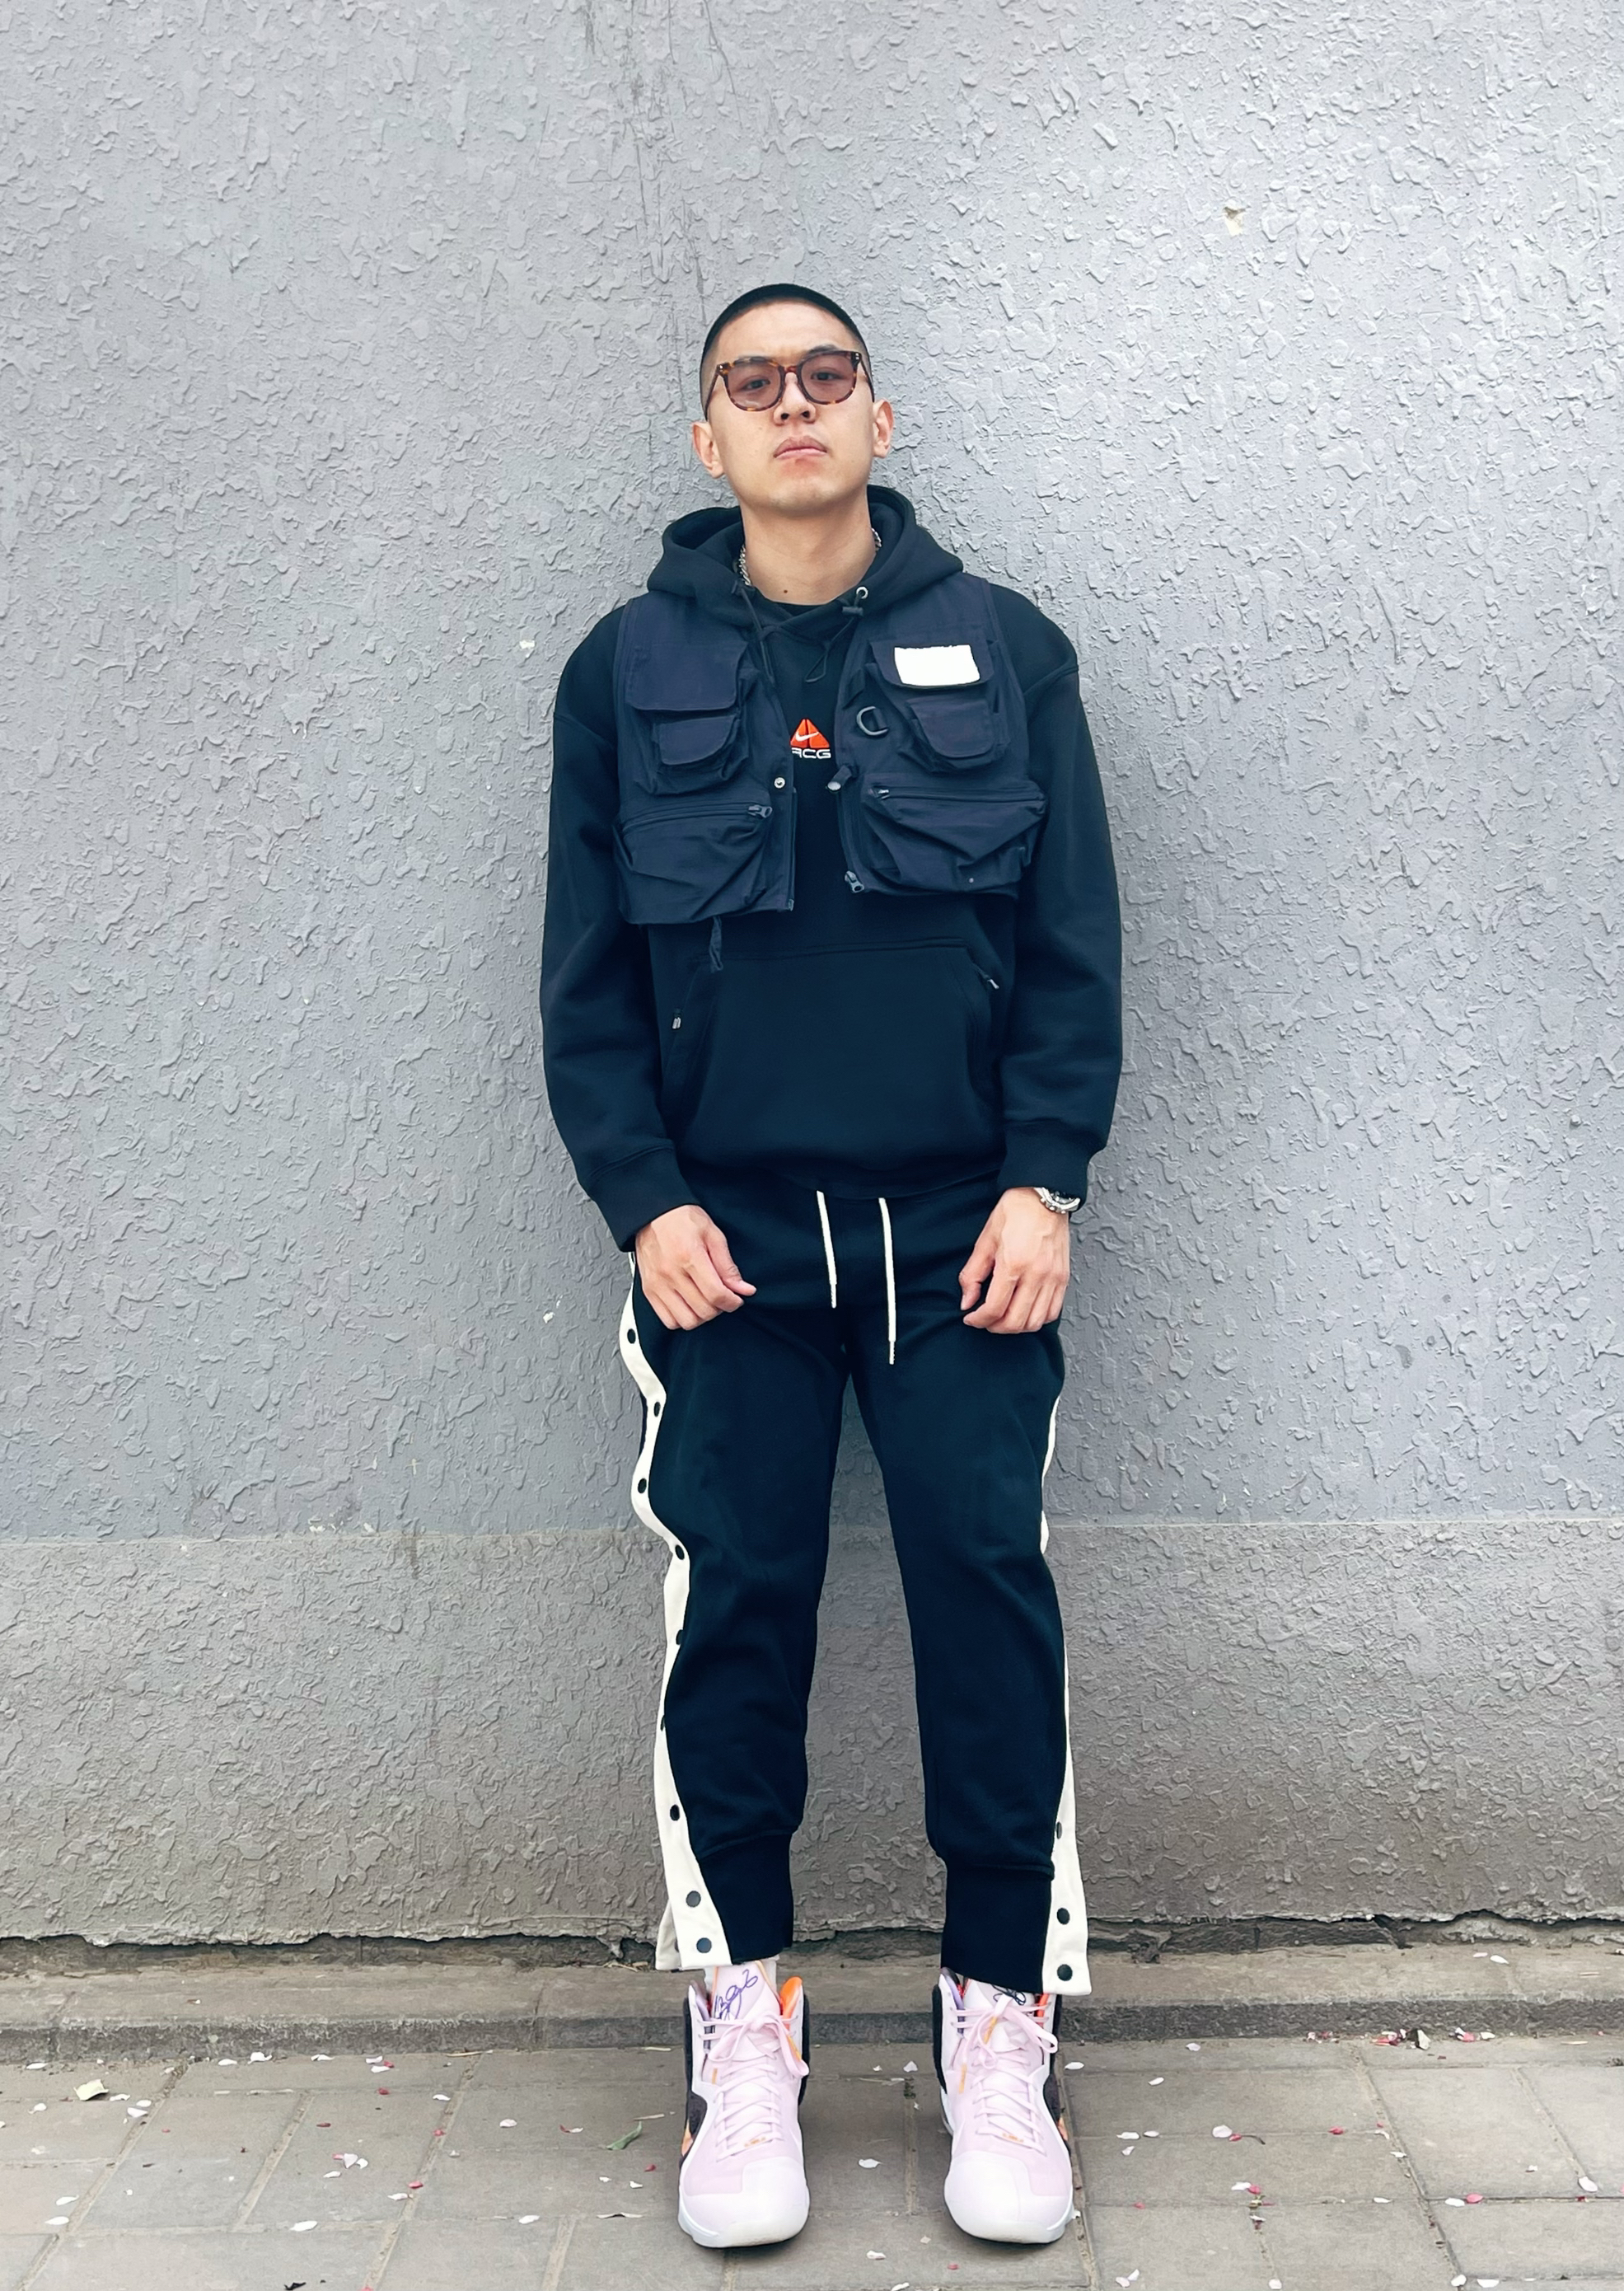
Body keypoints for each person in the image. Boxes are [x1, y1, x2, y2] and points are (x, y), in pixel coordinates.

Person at [538, 283, 1122, 2251]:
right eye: (751, 383)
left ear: (882, 416)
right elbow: (583, 980)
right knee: (738, 1615)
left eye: (826, 376)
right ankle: (744, 2035)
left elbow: (1071, 942)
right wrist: (643, 1199)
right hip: (728, 1249)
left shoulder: (1009, 648)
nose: (792, 406)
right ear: (705, 438)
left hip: (964, 1240)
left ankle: (998, 2029)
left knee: (984, 1596)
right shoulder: (624, 670)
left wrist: (1044, 1181)